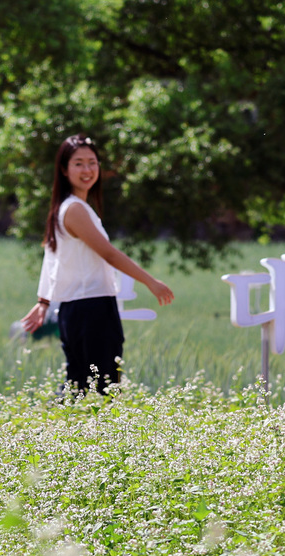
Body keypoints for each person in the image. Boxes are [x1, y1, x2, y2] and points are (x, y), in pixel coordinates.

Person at [20, 134, 174, 393]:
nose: (87, 169)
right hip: (90, 308)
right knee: (102, 389)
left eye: (92, 162)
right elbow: (110, 254)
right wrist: (151, 282)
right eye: (78, 163)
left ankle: (51, 431)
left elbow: (53, 256)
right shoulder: (75, 210)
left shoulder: (69, 207)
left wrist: (44, 301)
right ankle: (57, 431)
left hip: (79, 309)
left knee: (79, 386)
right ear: (64, 169)